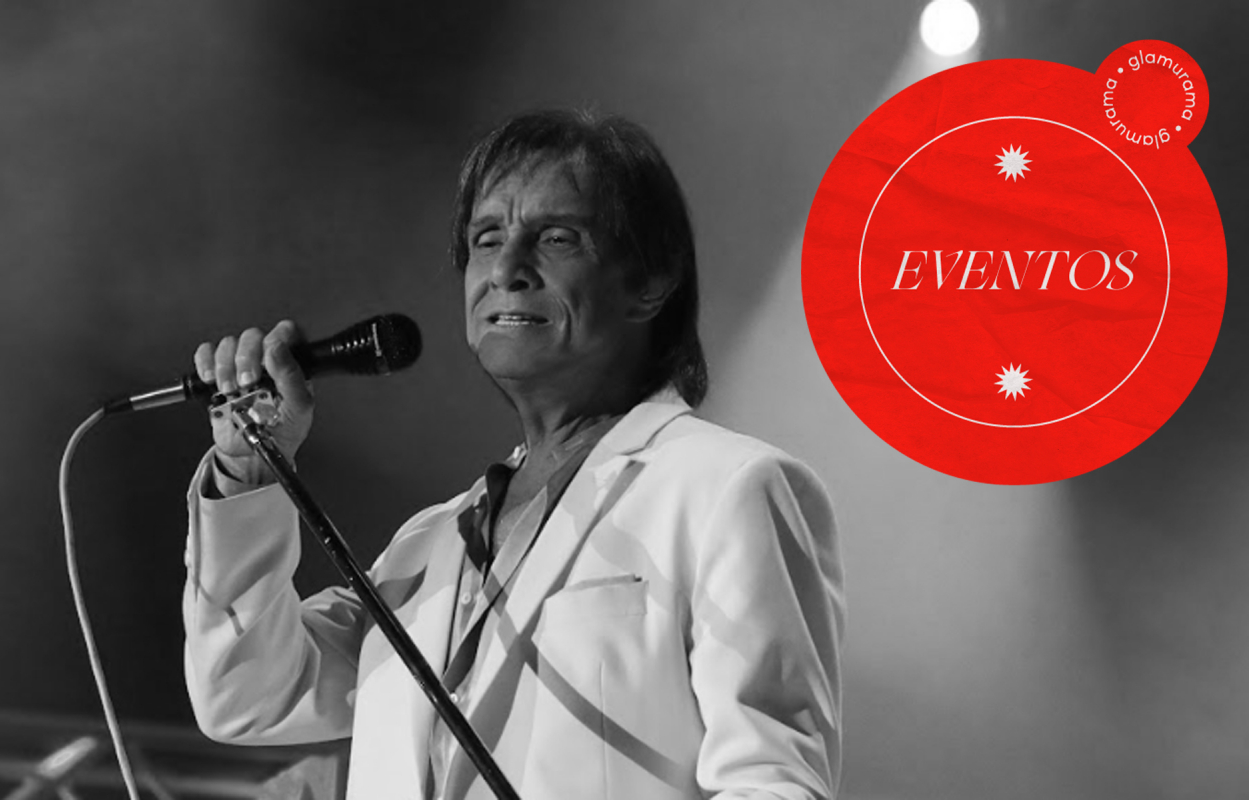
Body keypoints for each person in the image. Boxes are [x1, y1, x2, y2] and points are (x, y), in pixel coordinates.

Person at [183, 109, 844, 800]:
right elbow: (247, 694)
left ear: (651, 280)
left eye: (556, 238)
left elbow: (775, 784)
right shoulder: (430, 544)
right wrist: (250, 469)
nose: (505, 269)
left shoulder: (728, 489)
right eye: (486, 238)